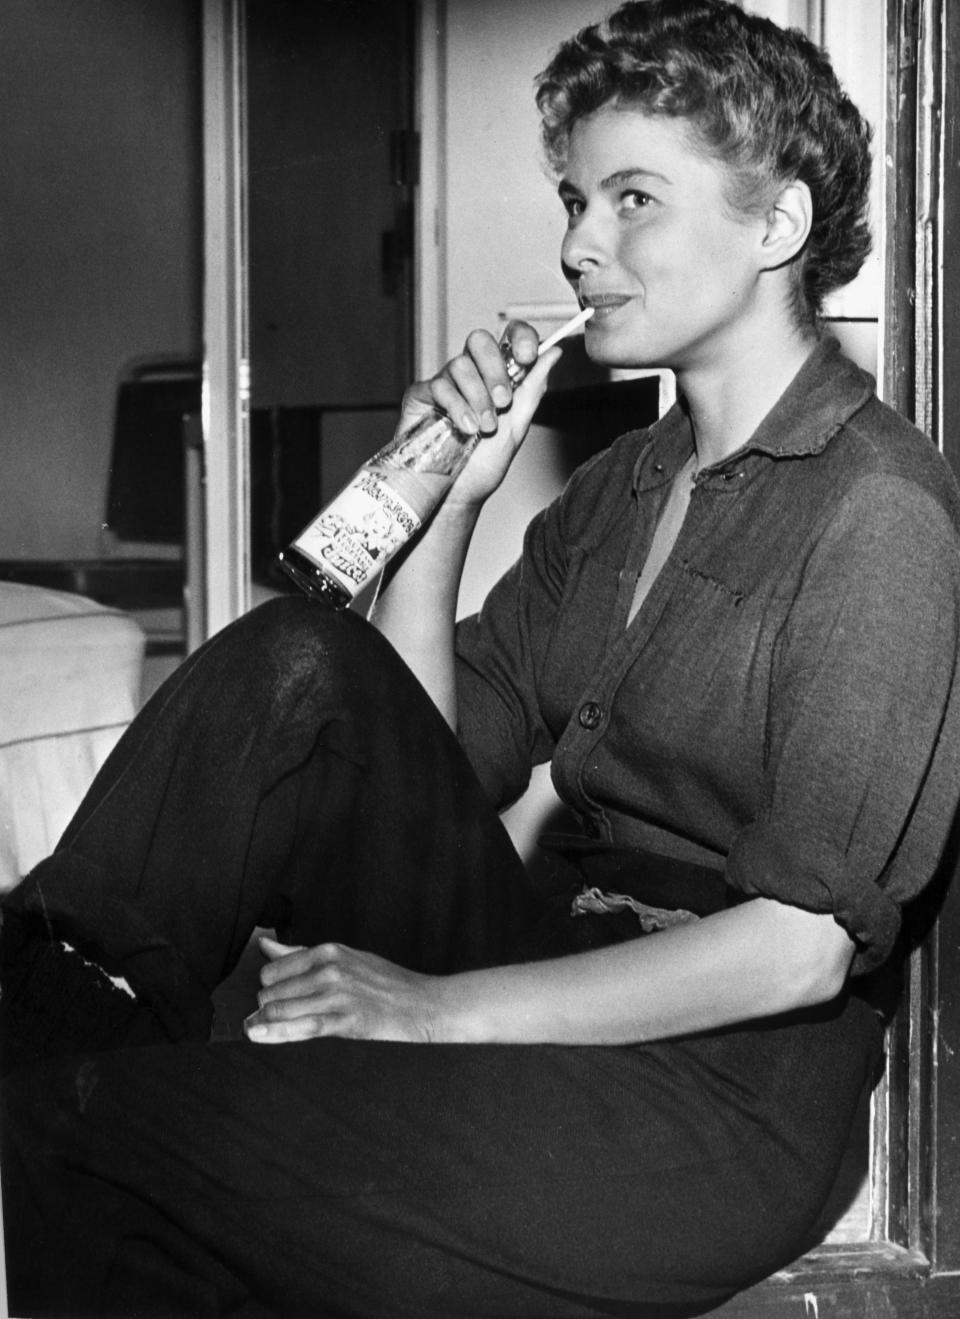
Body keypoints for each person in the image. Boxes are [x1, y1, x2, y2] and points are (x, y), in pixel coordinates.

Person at [3, 1, 960, 1314]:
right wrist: (450, 494)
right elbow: (427, 756)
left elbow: (796, 953)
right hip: (549, 955)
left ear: (777, 227)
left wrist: (431, 1011)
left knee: (109, 1132)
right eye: (576, 200)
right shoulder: (624, 484)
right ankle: (43, 1008)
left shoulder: (880, 515)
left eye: (632, 199)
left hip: (720, 1092)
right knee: (300, 659)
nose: (578, 246)